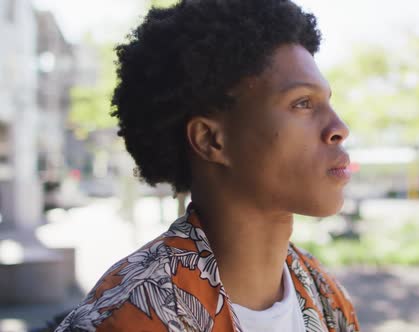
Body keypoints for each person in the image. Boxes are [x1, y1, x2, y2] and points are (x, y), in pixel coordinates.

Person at [56, 0, 359, 331]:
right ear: (210, 140)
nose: (338, 128)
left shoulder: (328, 297)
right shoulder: (129, 319)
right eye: (303, 103)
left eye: (328, 102)